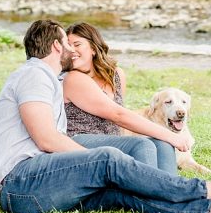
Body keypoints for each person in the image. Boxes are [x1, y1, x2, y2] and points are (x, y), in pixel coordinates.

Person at [0, 19, 211, 213]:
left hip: (34, 187)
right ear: (57, 46)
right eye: (68, 44)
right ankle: (210, 189)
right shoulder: (35, 74)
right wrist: (94, 161)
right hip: (19, 183)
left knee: (119, 193)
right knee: (108, 159)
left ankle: (207, 212)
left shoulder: (50, 79)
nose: (72, 49)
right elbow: (47, 139)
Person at [63, 21, 186, 174]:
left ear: (93, 48)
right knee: (142, 144)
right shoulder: (73, 79)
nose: (71, 50)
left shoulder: (116, 75)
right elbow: (118, 115)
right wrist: (170, 134)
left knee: (163, 144)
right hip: (81, 141)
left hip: (114, 142)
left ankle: (170, 194)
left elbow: (120, 115)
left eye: (77, 44)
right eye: (68, 45)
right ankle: (153, 193)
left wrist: (166, 138)